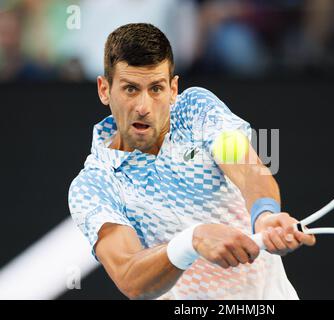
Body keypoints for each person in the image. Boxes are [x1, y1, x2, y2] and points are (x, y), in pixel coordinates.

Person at [68, 23, 315, 300]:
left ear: (173, 89)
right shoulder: (94, 184)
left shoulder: (196, 109)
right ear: (104, 89)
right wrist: (192, 241)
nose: (143, 107)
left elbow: (247, 169)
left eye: (156, 89)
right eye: (130, 89)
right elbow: (130, 277)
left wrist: (265, 215)